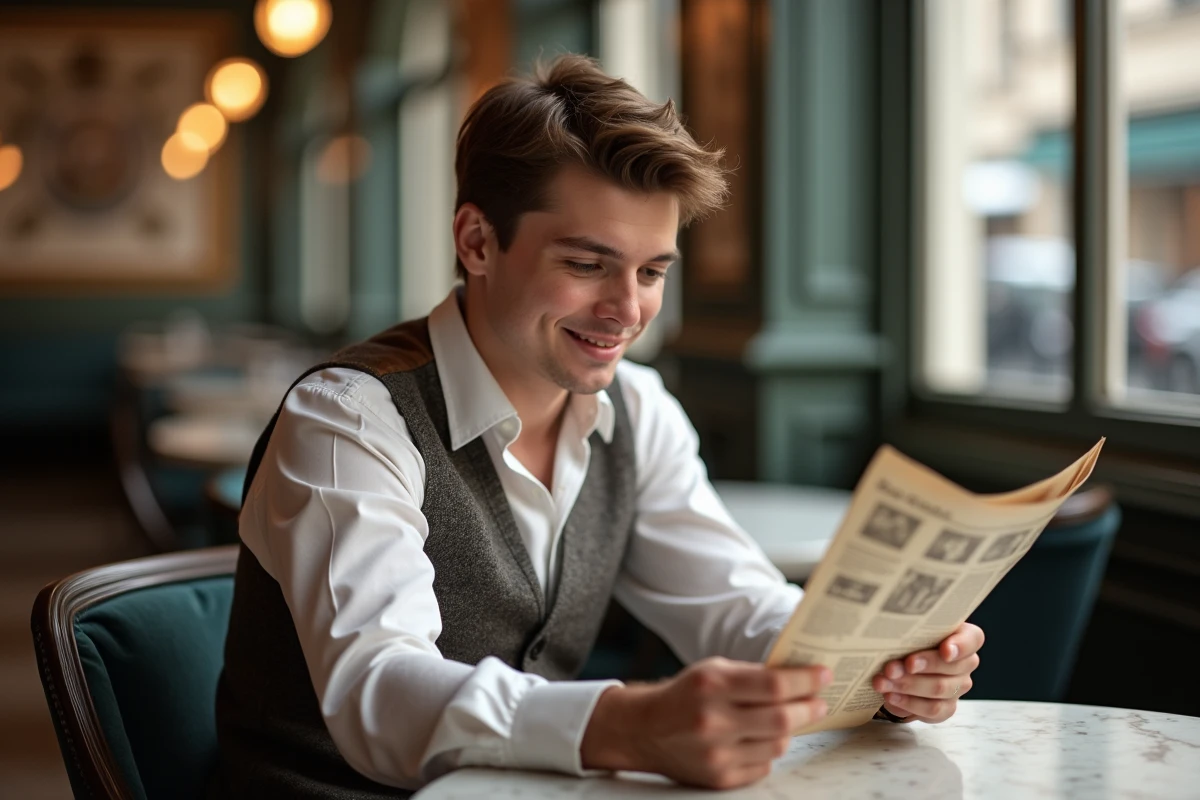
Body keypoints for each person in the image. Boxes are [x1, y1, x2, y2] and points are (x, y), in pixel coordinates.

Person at [210, 55, 985, 798]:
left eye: (651, 272)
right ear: (477, 242)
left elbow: (734, 604)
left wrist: (882, 665)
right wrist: (626, 725)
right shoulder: (348, 419)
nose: (628, 310)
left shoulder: (638, 411)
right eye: (587, 265)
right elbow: (378, 693)